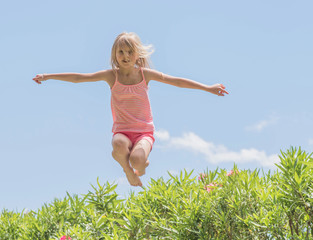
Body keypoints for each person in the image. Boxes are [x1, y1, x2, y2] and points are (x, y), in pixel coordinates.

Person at [32, 32, 228, 187]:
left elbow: (176, 81)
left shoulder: (145, 75)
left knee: (137, 160)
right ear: (114, 55)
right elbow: (79, 77)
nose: (125, 56)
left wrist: (208, 88)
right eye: (121, 52)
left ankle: (139, 166)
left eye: (129, 52)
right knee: (118, 144)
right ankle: (129, 172)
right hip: (123, 132)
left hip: (144, 133)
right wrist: (48, 76)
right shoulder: (111, 76)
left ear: (137, 55)